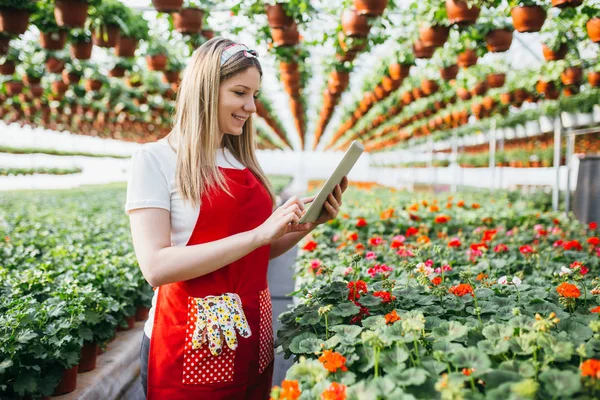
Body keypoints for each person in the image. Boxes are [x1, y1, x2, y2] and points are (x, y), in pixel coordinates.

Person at [125, 37, 348, 400]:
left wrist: (306, 225)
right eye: (240, 92)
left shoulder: (242, 161)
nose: (251, 107)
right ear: (206, 90)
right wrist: (258, 234)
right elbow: (155, 266)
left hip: (252, 333)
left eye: (254, 95)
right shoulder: (155, 159)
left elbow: (256, 251)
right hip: (191, 340)